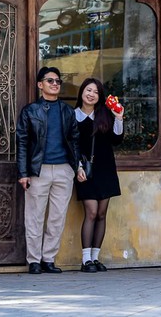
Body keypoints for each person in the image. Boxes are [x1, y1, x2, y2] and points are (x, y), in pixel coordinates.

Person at [17, 66, 86, 274]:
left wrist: (78, 167)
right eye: (50, 81)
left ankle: (48, 259)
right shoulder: (30, 111)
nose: (55, 84)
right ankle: (34, 260)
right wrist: (23, 173)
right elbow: (22, 142)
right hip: (39, 170)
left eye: (57, 81)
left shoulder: (67, 111)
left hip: (64, 170)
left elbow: (75, 141)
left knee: (57, 218)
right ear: (40, 85)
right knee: (34, 217)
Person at [73, 78, 125, 273]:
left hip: (105, 169)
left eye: (95, 92)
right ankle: (85, 259)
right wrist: (77, 167)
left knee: (102, 214)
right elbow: (71, 145)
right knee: (92, 212)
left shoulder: (104, 115)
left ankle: (95, 257)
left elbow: (117, 139)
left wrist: (119, 117)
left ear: (100, 96)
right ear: (82, 92)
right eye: (88, 90)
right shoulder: (73, 116)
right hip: (84, 171)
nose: (91, 94)